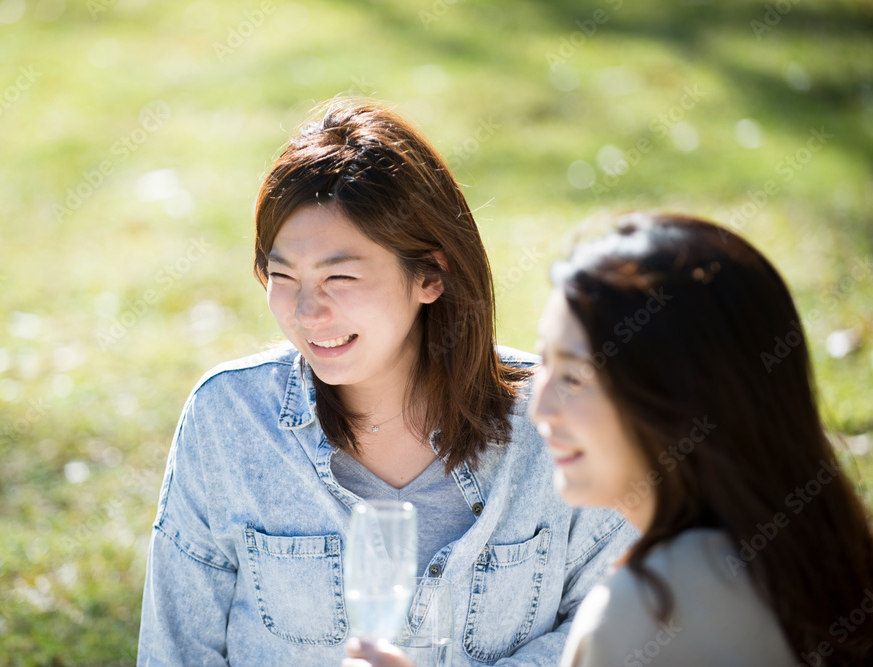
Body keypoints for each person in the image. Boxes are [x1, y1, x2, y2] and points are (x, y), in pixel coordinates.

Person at [135, 98, 637, 666]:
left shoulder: (555, 419)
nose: (306, 311)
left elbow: (615, 634)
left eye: (341, 276)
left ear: (431, 275)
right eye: (283, 275)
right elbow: (176, 651)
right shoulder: (229, 418)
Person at [348, 212, 873, 667]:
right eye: (543, 364)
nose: (539, 407)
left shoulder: (647, 608)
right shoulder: (811, 559)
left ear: (678, 397)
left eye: (574, 377)